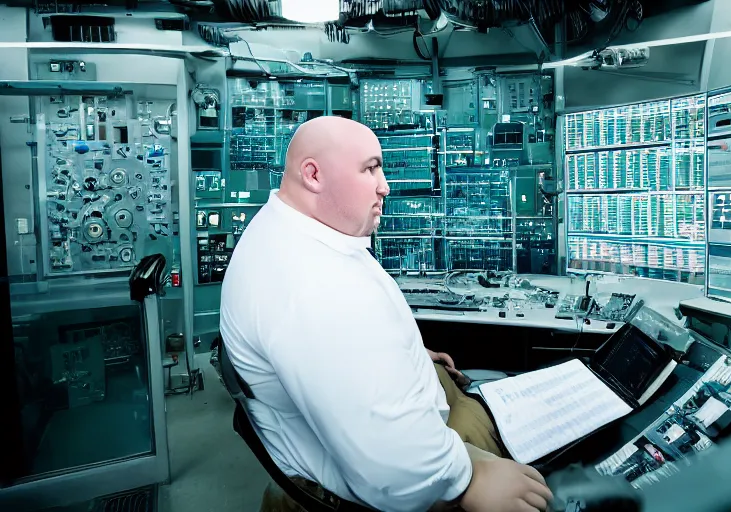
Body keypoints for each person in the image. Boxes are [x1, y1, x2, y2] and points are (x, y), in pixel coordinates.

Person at [220, 116, 553, 512]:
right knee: (551, 451)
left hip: (386, 433)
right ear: (313, 174)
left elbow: (336, 353)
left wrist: (404, 352)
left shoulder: (286, 232)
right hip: (410, 474)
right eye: (370, 168)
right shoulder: (315, 287)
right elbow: (393, 468)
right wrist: (471, 479)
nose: (385, 186)